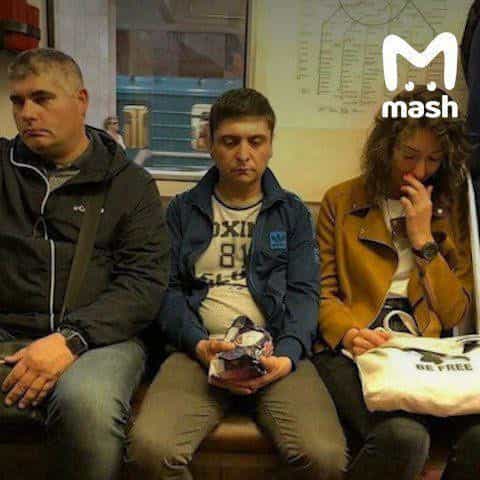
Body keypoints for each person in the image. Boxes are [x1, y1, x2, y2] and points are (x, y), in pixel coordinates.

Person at [128, 88, 346, 479]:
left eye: (255, 141)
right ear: (210, 144)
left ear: (270, 145)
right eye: (230, 142)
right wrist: (198, 345)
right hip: (199, 351)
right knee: (150, 451)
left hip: (275, 348)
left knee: (324, 457)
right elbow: (167, 291)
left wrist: (288, 355)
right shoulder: (181, 211)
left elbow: (305, 294)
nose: (243, 154)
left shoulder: (292, 213)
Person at [0, 48, 169, 479]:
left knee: (86, 403)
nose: (27, 114)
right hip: (8, 330)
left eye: (42, 98)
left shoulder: (131, 185)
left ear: (81, 101)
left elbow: (143, 285)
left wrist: (70, 339)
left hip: (100, 340)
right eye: (18, 101)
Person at [313, 85, 479, 480]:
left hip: (426, 349)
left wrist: (423, 240)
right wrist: (349, 333)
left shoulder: (451, 206)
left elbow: (455, 311)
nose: (419, 171)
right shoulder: (341, 200)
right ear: (385, 147)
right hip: (356, 346)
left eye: (433, 159)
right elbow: (321, 293)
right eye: (409, 155)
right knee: (405, 437)